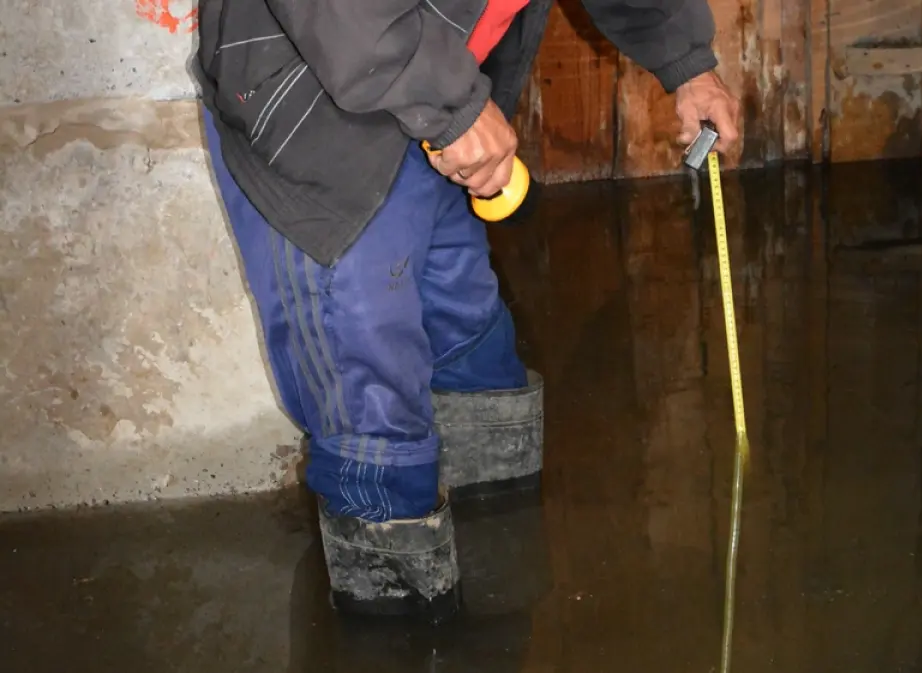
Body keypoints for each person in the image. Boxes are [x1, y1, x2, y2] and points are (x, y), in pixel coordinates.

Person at [191, 0, 741, 623]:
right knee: (370, 404)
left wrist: (686, 62)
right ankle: (396, 632)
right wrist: (452, 106)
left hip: (436, 87)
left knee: (470, 348)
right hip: (317, 101)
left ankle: (496, 599)